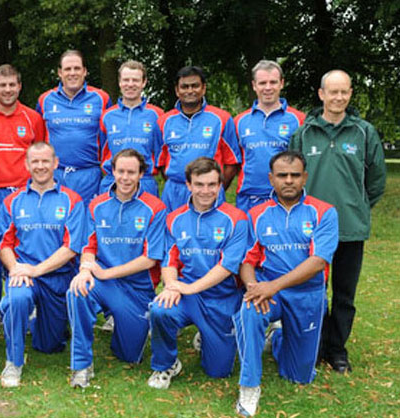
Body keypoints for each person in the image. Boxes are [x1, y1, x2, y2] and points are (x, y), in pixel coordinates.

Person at [290, 70, 386, 373]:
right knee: (313, 292)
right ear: (321, 94)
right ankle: (314, 346)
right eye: (333, 92)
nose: (338, 97)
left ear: (350, 93)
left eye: (344, 92)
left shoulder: (364, 132)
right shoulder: (304, 133)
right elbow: (291, 177)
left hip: (349, 228)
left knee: (344, 294)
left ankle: (337, 350)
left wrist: (356, 206)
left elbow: (376, 181)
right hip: (311, 230)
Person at [232, 150, 338, 416]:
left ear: (305, 178)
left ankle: (278, 337)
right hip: (270, 293)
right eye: (282, 175)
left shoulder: (324, 212)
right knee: (250, 309)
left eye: (294, 175)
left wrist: (272, 286)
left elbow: (318, 261)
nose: (288, 181)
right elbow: (247, 259)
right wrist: (254, 287)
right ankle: (249, 387)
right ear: (271, 178)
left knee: (299, 377)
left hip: (307, 294)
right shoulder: (256, 213)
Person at [67, 149, 166, 388]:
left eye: (131, 172)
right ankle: (81, 365)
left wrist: (105, 272)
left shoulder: (155, 208)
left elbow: (150, 259)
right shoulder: (96, 205)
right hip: (103, 284)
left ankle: (126, 325)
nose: (125, 177)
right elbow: (88, 247)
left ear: (142, 174)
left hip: (136, 290)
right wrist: (85, 270)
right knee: (77, 291)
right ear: (112, 172)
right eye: (120, 171)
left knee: (129, 355)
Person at [147, 157, 248, 389]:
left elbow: (227, 267)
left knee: (218, 372)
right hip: (187, 297)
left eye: (212, 184)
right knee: (160, 310)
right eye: (199, 184)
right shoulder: (175, 219)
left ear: (220, 185)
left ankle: (206, 335)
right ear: (188, 185)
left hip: (222, 299)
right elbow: (169, 261)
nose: (206, 191)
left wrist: (187, 287)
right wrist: (172, 286)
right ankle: (165, 365)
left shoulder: (237, 219)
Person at [0, 141, 86, 387]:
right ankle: (13, 362)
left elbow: (71, 248)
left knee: (49, 346)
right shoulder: (13, 201)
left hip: (56, 279)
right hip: (23, 275)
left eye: (46, 161)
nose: (40, 166)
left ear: (56, 163)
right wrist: (15, 268)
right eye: (35, 161)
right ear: (26, 165)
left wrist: (36, 270)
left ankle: (36, 319)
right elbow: (3, 244)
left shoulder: (72, 200)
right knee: (18, 298)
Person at [0, 64, 45, 338]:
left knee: (24, 248)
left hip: (22, 193)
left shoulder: (32, 118)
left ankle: (24, 305)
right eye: (2, 85)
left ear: (19, 87)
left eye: (12, 85)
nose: (7, 90)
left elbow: (41, 155)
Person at [156, 66, 241, 212]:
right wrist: (179, 181)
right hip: (175, 192)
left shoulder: (221, 119)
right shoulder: (164, 121)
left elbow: (232, 162)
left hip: (209, 191)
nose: (190, 90)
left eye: (195, 86)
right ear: (177, 90)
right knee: (173, 231)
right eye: (184, 86)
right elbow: (162, 161)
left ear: (203, 88)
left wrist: (216, 187)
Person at [36, 50, 111, 205]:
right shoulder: (45, 100)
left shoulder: (101, 98)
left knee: (86, 224)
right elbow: (38, 140)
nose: (72, 73)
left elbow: (108, 140)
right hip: (55, 175)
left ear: (85, 71)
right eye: (67, 69)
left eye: (77, 68)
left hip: (89, 175)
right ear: (59, 73)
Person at [234, 60, 306, 212]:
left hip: (285, 197)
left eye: (273, 82)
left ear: (281, 83)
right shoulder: (239, 121)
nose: (268, 88)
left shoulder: (298, 120)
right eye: (262, 83)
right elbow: (234, 162)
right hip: (249, 198)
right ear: (254, 85)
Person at [99, 60, 164, 197]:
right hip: (113, 181)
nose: (130, 84)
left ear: (144, 82)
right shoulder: (107, 116)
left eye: (135, 80)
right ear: (119, 82)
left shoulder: (157, 115)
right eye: (126, 80)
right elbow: (102, 150)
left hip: (144, 181)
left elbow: (161, 153)